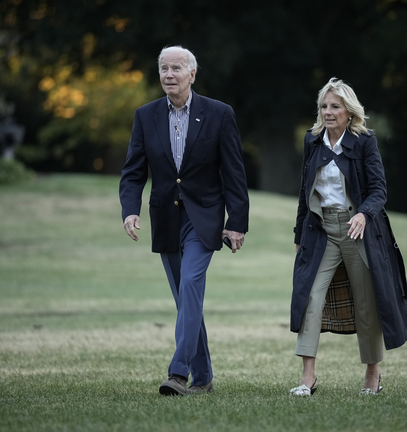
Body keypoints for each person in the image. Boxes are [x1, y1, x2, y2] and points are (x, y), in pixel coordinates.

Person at [119, 46, 250, 396]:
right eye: (164, 68)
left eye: (177, 67)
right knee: (185, 299)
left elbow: (234, 172)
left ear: (192, 74)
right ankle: (203, 378)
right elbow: (133, 173)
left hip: (203, 218)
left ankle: (178, 373)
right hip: (165, 217)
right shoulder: (145, 116)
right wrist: (130, 209)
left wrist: (236, 221)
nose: (169, 74)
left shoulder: (219, 114)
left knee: (191, 285)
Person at [289, 78, 407, 396]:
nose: (329, 112)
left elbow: (379, 191)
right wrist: (298, 232)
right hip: (321, 232)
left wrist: (363, 214)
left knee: (366, 304)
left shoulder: (364, 141)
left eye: (335, 106)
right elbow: (304, 191)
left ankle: (372, 376)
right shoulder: (313, 140)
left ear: (349, 111)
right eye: (324, 106)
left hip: (357, 231)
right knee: (310, 299)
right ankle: (308, 379)